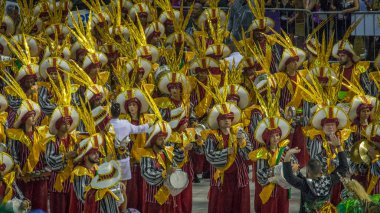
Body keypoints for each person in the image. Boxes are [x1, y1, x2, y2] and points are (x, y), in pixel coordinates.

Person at [204, 101, 252, 213]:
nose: (227, 120)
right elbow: (209, 156)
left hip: (239, 177)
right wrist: (226, 152)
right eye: (223, 118)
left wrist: (242, 144)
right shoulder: (212, 136)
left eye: (229, 118)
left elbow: (249, 155)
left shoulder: (240, 133)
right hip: (221, 179)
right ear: (218, 120)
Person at [283, 140, 349, 212]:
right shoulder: (329, 181)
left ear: (308, 171)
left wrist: (288, 154)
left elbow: (288, 176)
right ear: (321, 171)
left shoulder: (305, 184)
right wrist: (339, 146)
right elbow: (344, 167)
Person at [69, 134, 103, 213]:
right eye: (94, 153)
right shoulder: (79, 172)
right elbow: (82, 196)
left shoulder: (96, 168)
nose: (97, 155)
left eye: (97, 152)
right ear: (85, 157)